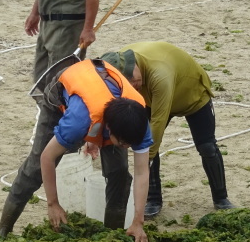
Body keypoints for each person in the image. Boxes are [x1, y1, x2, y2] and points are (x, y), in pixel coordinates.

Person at [0, 0, 100, 236]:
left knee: (62, 83)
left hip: (69, 28)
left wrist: (88, 28)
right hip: (48, 24)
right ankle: (49, 116)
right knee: (41, 81)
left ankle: (58, 129)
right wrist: (33, 13)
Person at [0, 57, 153, 242]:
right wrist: (53, 204)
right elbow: (47, 157)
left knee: (119, 173)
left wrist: (138, 221)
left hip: (105, 97)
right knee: (35, 169)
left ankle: (112, 238)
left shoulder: (138, 121)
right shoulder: (78, 122)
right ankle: (3, 230)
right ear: (109, 130)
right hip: (62, 92)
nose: (127, 147)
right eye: (123, 144)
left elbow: (142, 172)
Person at [99, 41, 235, 217]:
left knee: (206, 146)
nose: (132, 84)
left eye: (132, 78)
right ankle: (153, 199)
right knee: (143, 141)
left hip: (192, 97)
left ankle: (221, 198)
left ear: (136, 65)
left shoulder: (160, 75)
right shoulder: (118, 61)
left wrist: (144, 158)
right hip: (150, 99)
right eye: (127, 82)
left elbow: (157, 122)